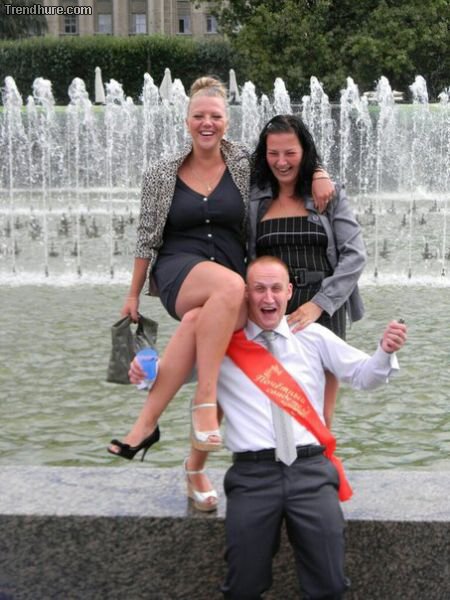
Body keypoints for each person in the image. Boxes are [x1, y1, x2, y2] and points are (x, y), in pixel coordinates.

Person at [108, 76, 335, 510]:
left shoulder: (245, 162)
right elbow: (145, 238)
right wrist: (132, 295)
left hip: (230, 274)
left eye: (215, 116)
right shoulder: (161, 174)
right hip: (180, 270)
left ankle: (169, 445)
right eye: (199, 116)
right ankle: (204, 400)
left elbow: (290, 159)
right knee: (229, 289)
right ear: (187, 121)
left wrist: (321, 171)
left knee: (208, 324)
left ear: (227, 122)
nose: (207, 123)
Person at [130, 256, 407, 599]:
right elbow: (170, 373)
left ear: (289, 291)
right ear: (246, 294)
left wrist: (384, 351)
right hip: (253, 476)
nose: (268, 298)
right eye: (259, 289)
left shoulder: (314, 337)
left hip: (311, 472)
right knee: (243, 586)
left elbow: (364, 376)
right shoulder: (222, 343)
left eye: (276, 288)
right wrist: (144, 374)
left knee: (331, 585)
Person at [248, 114, 366, 427]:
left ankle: (323, 455)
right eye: (273, 153)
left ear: (305, 152)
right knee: (275, 404)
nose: (281, 162)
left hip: (323, 307)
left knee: (321, 415)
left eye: (291, 153)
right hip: (272, 307)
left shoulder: (328, 194)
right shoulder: (254, 198)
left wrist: (319, 305)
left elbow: (355, 255)